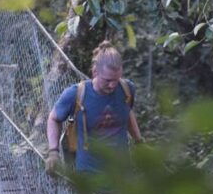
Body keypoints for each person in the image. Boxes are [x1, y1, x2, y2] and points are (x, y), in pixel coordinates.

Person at [45, 40, 142, 173]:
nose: (112, 85)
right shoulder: (76, 94)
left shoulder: (126, 89)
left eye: (116, 79)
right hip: (89, 177)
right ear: (96, 72)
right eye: (107, 80)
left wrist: (139, 142)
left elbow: (127, 112)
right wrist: (53, 152)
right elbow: (54, 118)